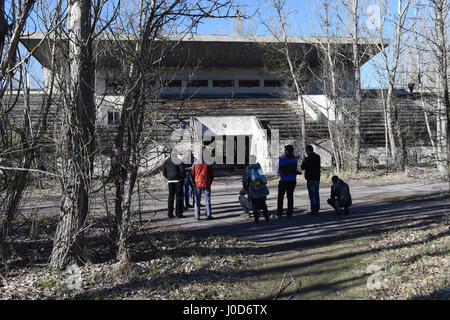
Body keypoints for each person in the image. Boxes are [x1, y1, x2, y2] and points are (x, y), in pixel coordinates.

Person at [243, 156, 270, 224]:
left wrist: (246, 187)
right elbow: (262, 176)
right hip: (262, 188)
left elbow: (245, 180)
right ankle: (267, 219)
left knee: (254, 205)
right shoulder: (258, 166)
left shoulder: (248, 168)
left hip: (254, 189)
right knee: (264, 204)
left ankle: (257, 220)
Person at [277, 145, 301, 218]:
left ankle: (280, 212)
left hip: (284, 180)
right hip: (292, 180)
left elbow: (279, 169)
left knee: (280, 197)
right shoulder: (295, 159)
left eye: (285, 150)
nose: (284, 151)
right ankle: (289, 212)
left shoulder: (282, 159)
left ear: (287, 151)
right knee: (290, 197)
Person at [162, 153, 186, 219]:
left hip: (170, 181)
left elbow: (164, 172)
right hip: (178, 180)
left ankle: (170, 213)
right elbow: (182, 171)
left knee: (170, 198)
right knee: (179, 197)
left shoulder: (166, 161)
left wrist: (168, 177)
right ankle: (178, 214)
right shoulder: (178, 161)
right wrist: (182, 177)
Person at [301, 145, 321, 215]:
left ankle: (314, 209)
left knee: (312, 194)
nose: (305, 152)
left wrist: (304, 161)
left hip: (310, 178)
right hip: (317, 177)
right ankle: (317, 208)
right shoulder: (318, 157)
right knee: (316, 193)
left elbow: (302, 167)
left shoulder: (307, 159)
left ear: (308, 150)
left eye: (306, 150)